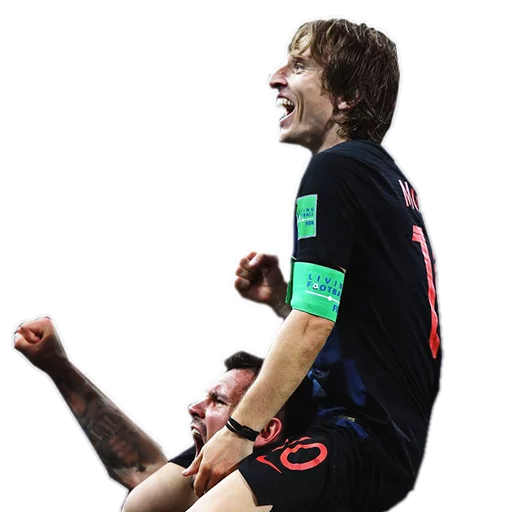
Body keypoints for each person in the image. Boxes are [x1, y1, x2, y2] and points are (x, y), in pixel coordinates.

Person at [173, 15, 443, 512]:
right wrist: (284, 297)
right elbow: (371, 325)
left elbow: (314, 322)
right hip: (376, 431)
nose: (275, 77)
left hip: (356, 433)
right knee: (150, 501)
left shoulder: (334, 170)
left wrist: (239, 430)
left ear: (347, 96)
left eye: (298, 66)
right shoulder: (387, 180)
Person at [12, 315, 313, 512]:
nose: (194, 407)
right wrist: (58, 366)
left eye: (218, 401)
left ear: (264, 430)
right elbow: (142, 470)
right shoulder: (212, 487)